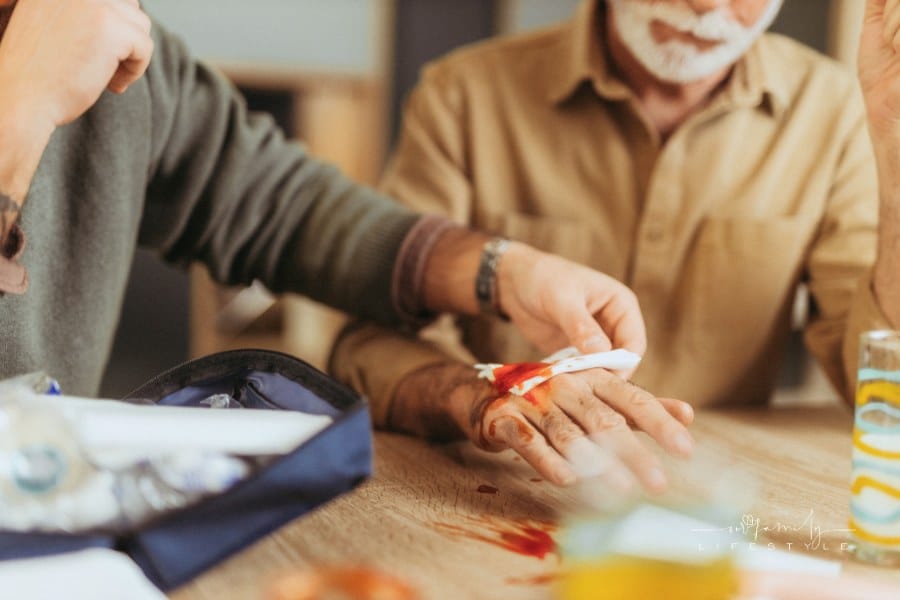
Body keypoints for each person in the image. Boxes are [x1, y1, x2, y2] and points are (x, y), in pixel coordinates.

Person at [0, 0, 693, 491]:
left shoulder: (111, 36)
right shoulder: (49, 40)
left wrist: (507, 273)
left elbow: (279, 205)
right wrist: (20, 103)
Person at [331, 0, 900, 484]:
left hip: (714, 496)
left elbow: (881, 384)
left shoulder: (840, 112)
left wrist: (896, 166)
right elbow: (367, 345)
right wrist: (481, 397)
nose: (705, 5)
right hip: (502, 484)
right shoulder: (464, 95)